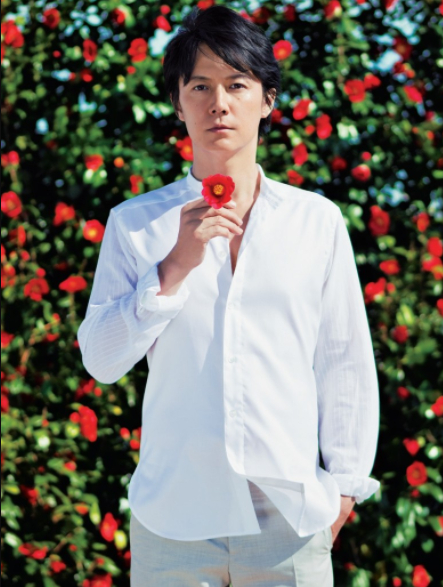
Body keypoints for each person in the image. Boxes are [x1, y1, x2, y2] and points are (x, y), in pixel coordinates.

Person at [77, 5, 381, 586]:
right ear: (178, 103)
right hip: (175, 521)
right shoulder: (135, 223)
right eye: (200, 86)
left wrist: (343, 490)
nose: (219, 103)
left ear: (267, 99)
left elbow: (343, 360)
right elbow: (101, 360)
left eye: (237, 84)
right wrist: (173, 267)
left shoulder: (315, 221)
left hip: (291, 519)